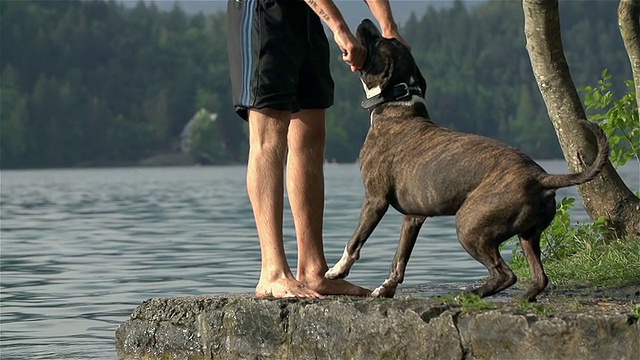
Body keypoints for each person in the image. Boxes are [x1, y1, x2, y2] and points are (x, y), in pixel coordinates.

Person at [227, 0, 409, 299]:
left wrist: (389, 29)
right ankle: (272, 273)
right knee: (269, 137)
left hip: (307, 15)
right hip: (263, 11)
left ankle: (312, 270)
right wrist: (339, 28)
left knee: (310, 135)